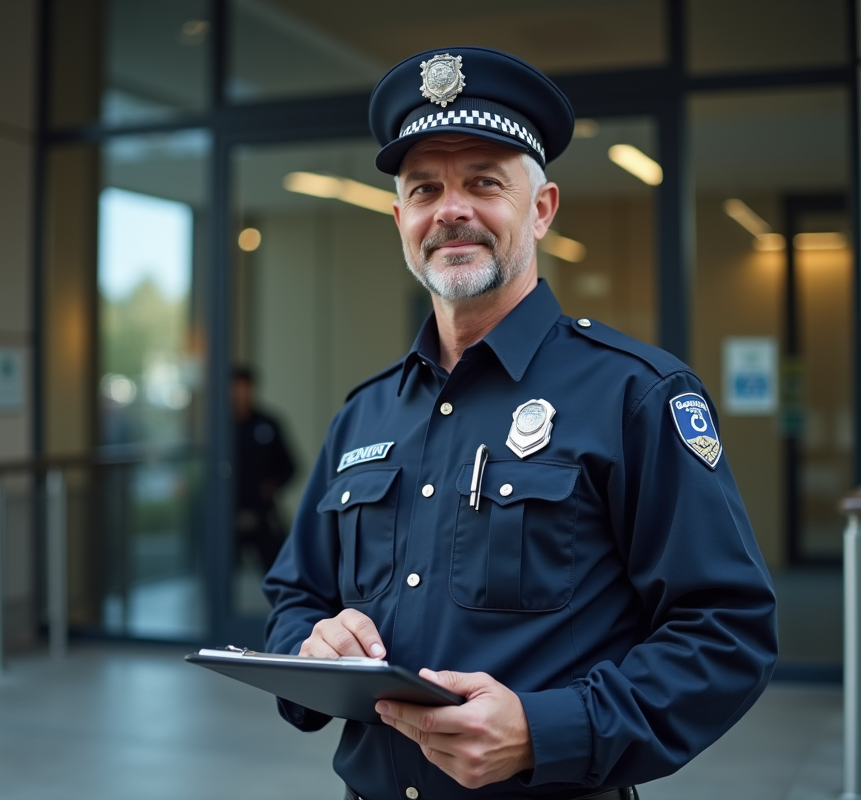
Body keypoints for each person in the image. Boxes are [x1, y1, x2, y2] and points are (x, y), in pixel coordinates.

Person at [263, 47, 779, 800]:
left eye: (483, 182)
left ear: (541, 209)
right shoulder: (364, 413)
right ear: (400, 217)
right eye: (425, 189)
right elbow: (295, 596)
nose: (452, 210)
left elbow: (725, 632)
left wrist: (550, 730)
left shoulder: (634, 394)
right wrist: (312, 647)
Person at [233, 366, 296, 573]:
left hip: (262, 513)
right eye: (236, 389)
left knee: (281, 570)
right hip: (228, 513)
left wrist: (272, 485)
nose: (241, 394)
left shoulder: (267, 425)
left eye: (245, 388)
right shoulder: (220, 428)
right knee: (221, 574)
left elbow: (291, 466)